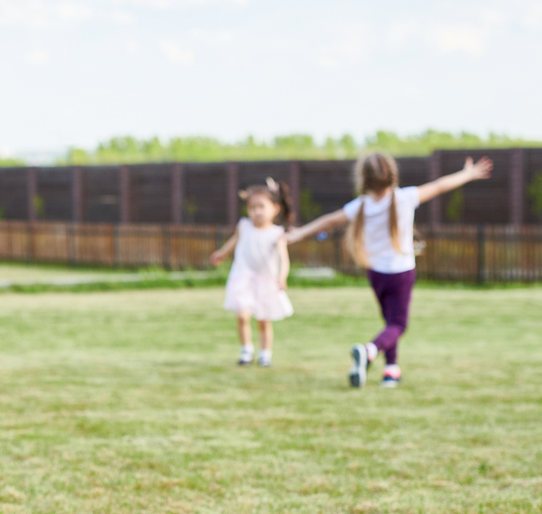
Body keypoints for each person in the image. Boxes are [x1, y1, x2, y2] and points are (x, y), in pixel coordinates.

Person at [285, 152, 492, 388]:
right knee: (398, 324)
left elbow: (330, 221)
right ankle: (369, 351)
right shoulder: (404, 198)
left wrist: (300, 233)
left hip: (376, 273)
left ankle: (391, 370)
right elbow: (439, 186)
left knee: (390, 322)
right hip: (401, 273)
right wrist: (467, 174)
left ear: (363, 179)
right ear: (393, 175)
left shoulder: (361, 206)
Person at [209, 179, 293, 367]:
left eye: (261, 206)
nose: (257, 211)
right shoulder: (244, 226)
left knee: (263, 320)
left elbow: (283, 259)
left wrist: (282, 277)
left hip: (265, 281)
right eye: (252, 207)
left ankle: (265, 354)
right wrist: (222, 253)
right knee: (242, 315)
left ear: (275, 208)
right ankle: (246, 351)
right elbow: (233, 241)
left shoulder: (276, 233)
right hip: (243, 278)